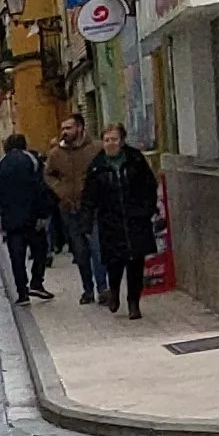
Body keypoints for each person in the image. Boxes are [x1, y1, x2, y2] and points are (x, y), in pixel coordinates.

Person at [83, 125, 162, 316]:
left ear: (122, 140)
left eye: (114, 139)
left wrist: (147, 209)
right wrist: (87, 221)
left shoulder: (135, 159)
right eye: (107, 140)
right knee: (115, 263)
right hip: (111, 222)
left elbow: (149, 185)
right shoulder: (97, 166)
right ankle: (115, 292)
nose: (111, 143)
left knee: (136, 263)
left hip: (135, 220)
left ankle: (133, 302)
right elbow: (89, 197)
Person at [0, 132, 55, 299]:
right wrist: (43, 214)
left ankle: (22, 292)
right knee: (40, 251)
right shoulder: (32, 160)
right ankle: (36, 283)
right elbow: (41, 188)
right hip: (32, 217)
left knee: (16, 256)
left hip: (10, 220)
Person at [42, 116, 98, 306]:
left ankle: (105, 287)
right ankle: (88, 289)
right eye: (63, 128)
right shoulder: (56, 154)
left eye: (69, 127)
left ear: (80, 128)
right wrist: (61, 190)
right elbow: (48, 175)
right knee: (81, 251)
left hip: (94, 206)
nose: (65, 131)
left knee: (98, 248)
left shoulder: (95, 149)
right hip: (69, 207)